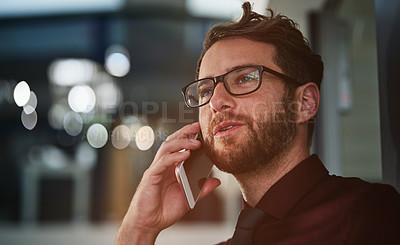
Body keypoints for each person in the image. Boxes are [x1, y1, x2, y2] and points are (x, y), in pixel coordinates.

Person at [116, 2, 400, 244]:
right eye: (205, 91)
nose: (216, 102)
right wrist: (139, 229)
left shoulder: (371, 217)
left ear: (305, 104)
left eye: (245, 78)